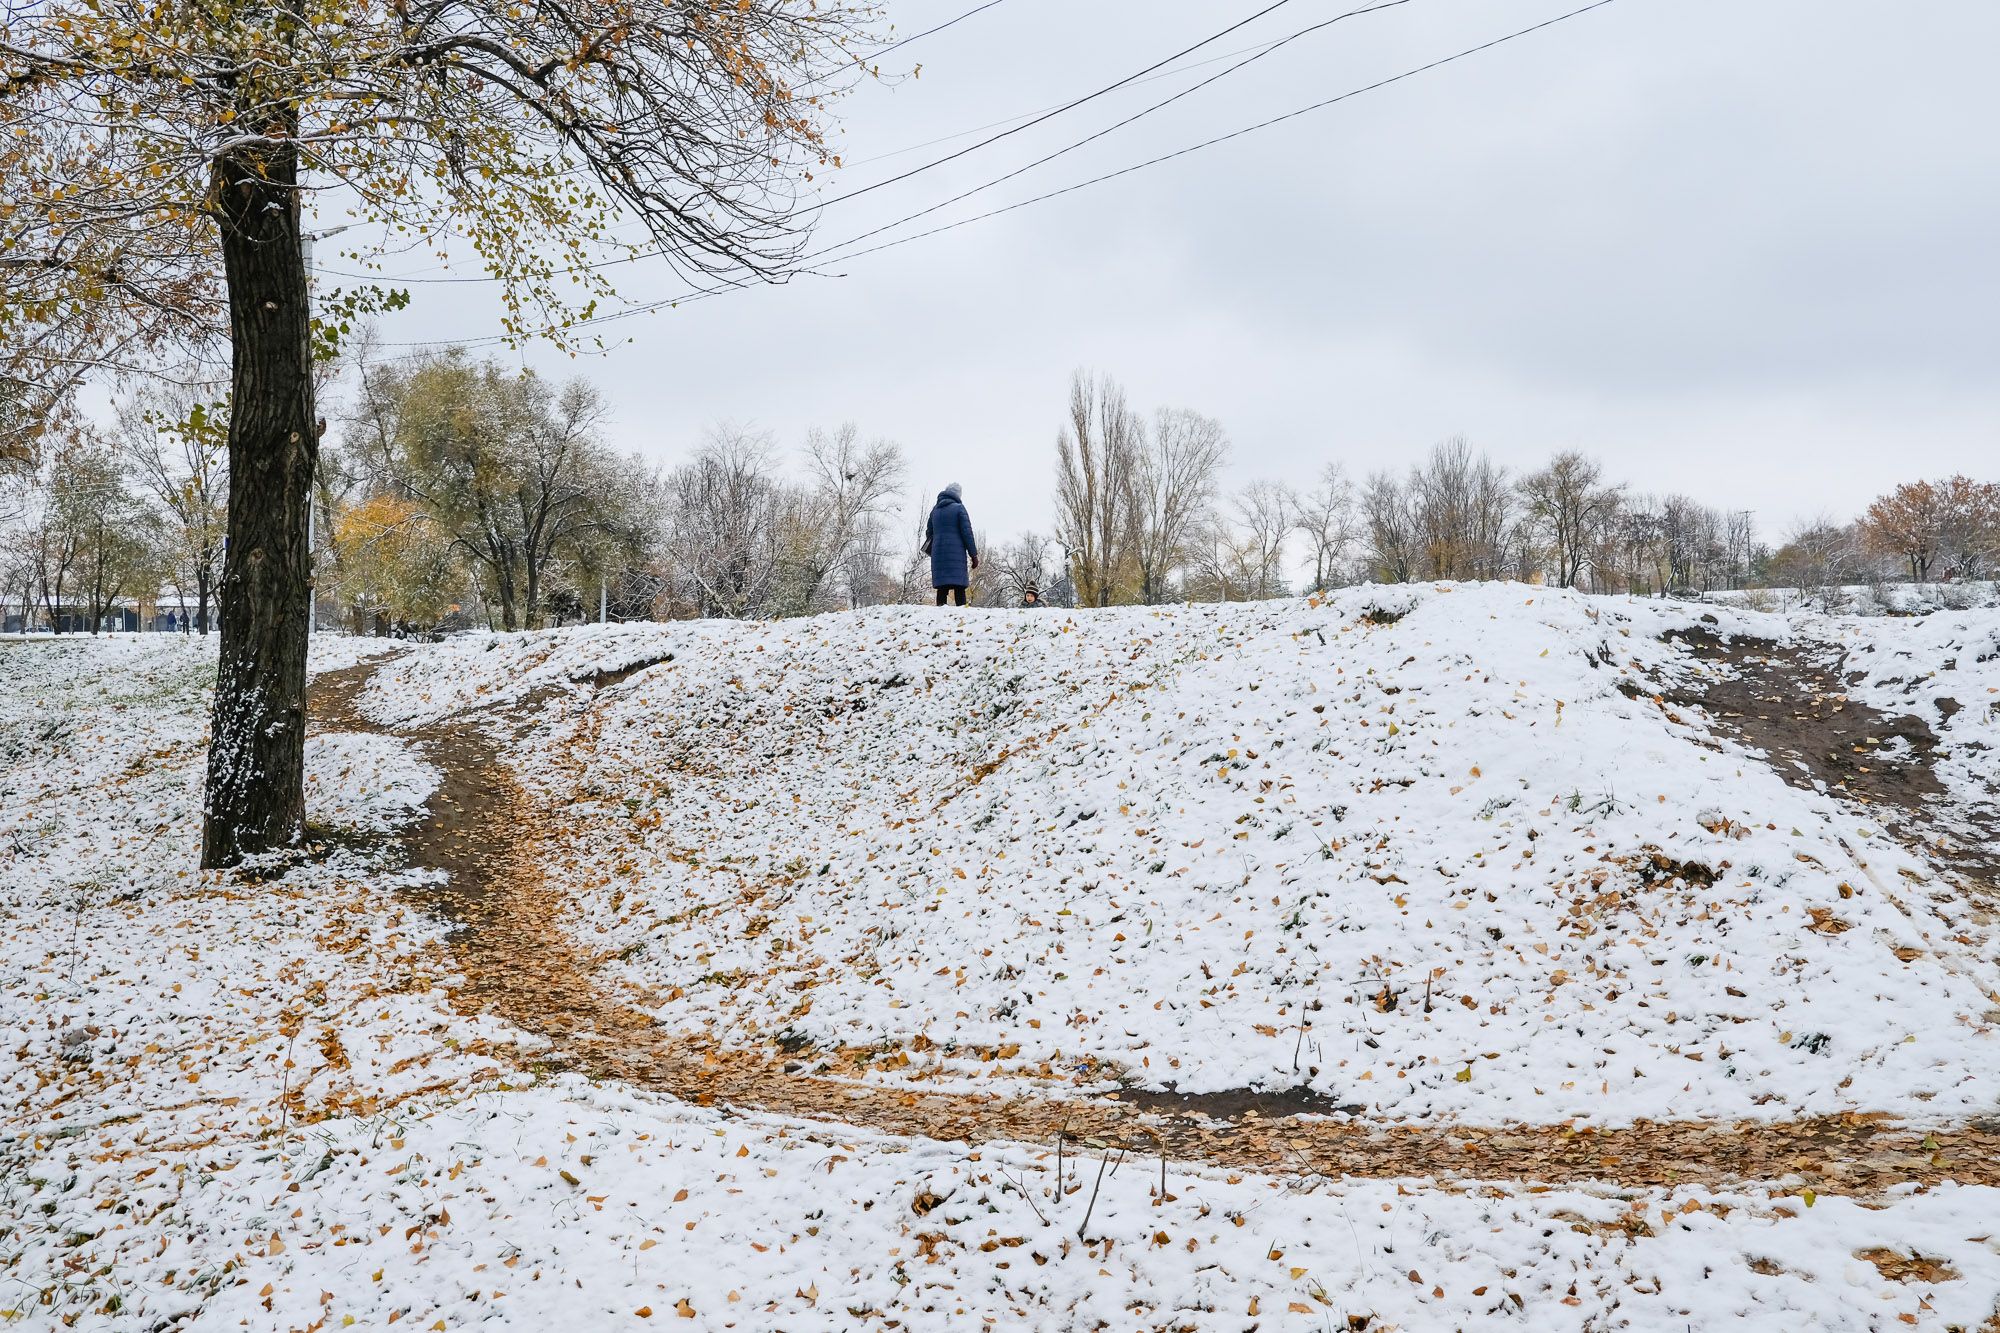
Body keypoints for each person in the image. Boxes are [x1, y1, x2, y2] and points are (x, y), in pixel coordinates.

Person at [922, 482, 978, 606]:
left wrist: (937, 544)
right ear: (958, 495)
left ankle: (939, 614)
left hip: (938, 554)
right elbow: (967, 533)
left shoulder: (935, 511)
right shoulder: (959, 508)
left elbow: (929, 533)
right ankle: (961, 614)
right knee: (959, 587)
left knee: (942, 588)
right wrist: (973, 555)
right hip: (956, 554)